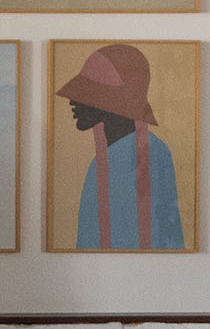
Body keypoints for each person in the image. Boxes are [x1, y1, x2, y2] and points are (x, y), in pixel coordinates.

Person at [60, 44, 184, 251]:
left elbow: (161, 238)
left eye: (86, 91)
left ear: (113, 98)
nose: (72, 100)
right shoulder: (111, 158)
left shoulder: (147, 154)